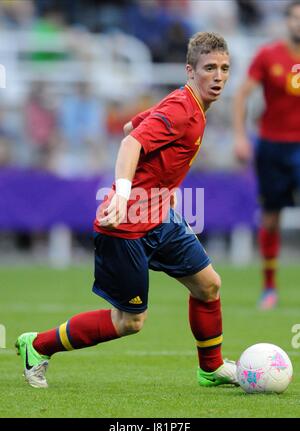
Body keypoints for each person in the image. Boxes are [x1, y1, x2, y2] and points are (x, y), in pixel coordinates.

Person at [16, 32, 238, 389]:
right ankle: (37, 345)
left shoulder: (187, 105)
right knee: (130, 321)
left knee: (208, 286)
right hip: (126, 225)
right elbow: (131, 140)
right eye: (209, 68)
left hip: (160, 217)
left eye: (224, 68)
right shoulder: (183, 109)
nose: (218, 76)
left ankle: (210, 369)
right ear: (189, 70)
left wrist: (164, 186)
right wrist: (122, 194)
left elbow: (132, 125)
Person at [233, 0, 300, 310]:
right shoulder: (268, 55)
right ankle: (269, 287)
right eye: (296, 18)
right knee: (271, 216)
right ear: (287, 21)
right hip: (272, 145)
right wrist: (240, 136)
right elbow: (243, 93)